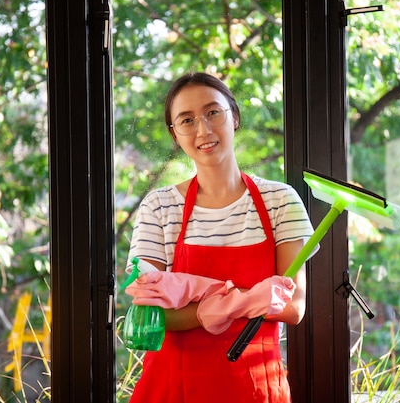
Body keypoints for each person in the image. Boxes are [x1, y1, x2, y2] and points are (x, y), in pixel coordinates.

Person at [124, 72, 316, 403]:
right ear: (175, 134)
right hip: (173, 388)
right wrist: (234, 303)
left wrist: (206, 302)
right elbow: (148, 313)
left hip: (254, 388)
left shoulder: (280, 201)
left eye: (213, 112)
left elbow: (293, 306)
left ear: (234, 116)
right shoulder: (159, 207)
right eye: (186, 120)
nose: (203, 129)